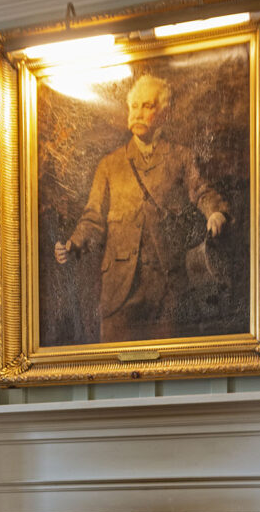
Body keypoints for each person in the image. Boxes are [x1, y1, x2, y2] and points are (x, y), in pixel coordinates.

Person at [54, 74, 231, 342]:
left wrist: (215, 213)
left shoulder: (181, 157)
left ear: (163, 113)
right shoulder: (109, 165)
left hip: (169, 289)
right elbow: (92, 218)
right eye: (134, 106)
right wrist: (73, 244)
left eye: (147, 106)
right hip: (119, 292)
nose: (138, 113)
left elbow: (202, 192)